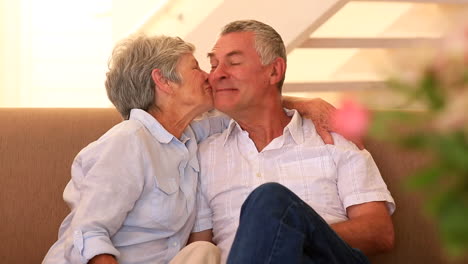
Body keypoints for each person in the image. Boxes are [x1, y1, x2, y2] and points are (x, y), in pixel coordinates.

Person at [42, 34, 343, 264]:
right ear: (163, 81)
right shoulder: (129, 141)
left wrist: (305, 104)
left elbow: (252, 103)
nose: (209, 76)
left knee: (203, 251)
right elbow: (89, 233)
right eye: (196, 67)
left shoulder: (192, 136)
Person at [189, 20, 395, 263]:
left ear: (274, 71)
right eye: (213, 65)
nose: (217, 74)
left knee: (270, 200)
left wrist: (289, 233)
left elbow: (380, 233)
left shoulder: (331, 137)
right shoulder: (204, 154)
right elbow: (200, 246)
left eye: (233, 63)